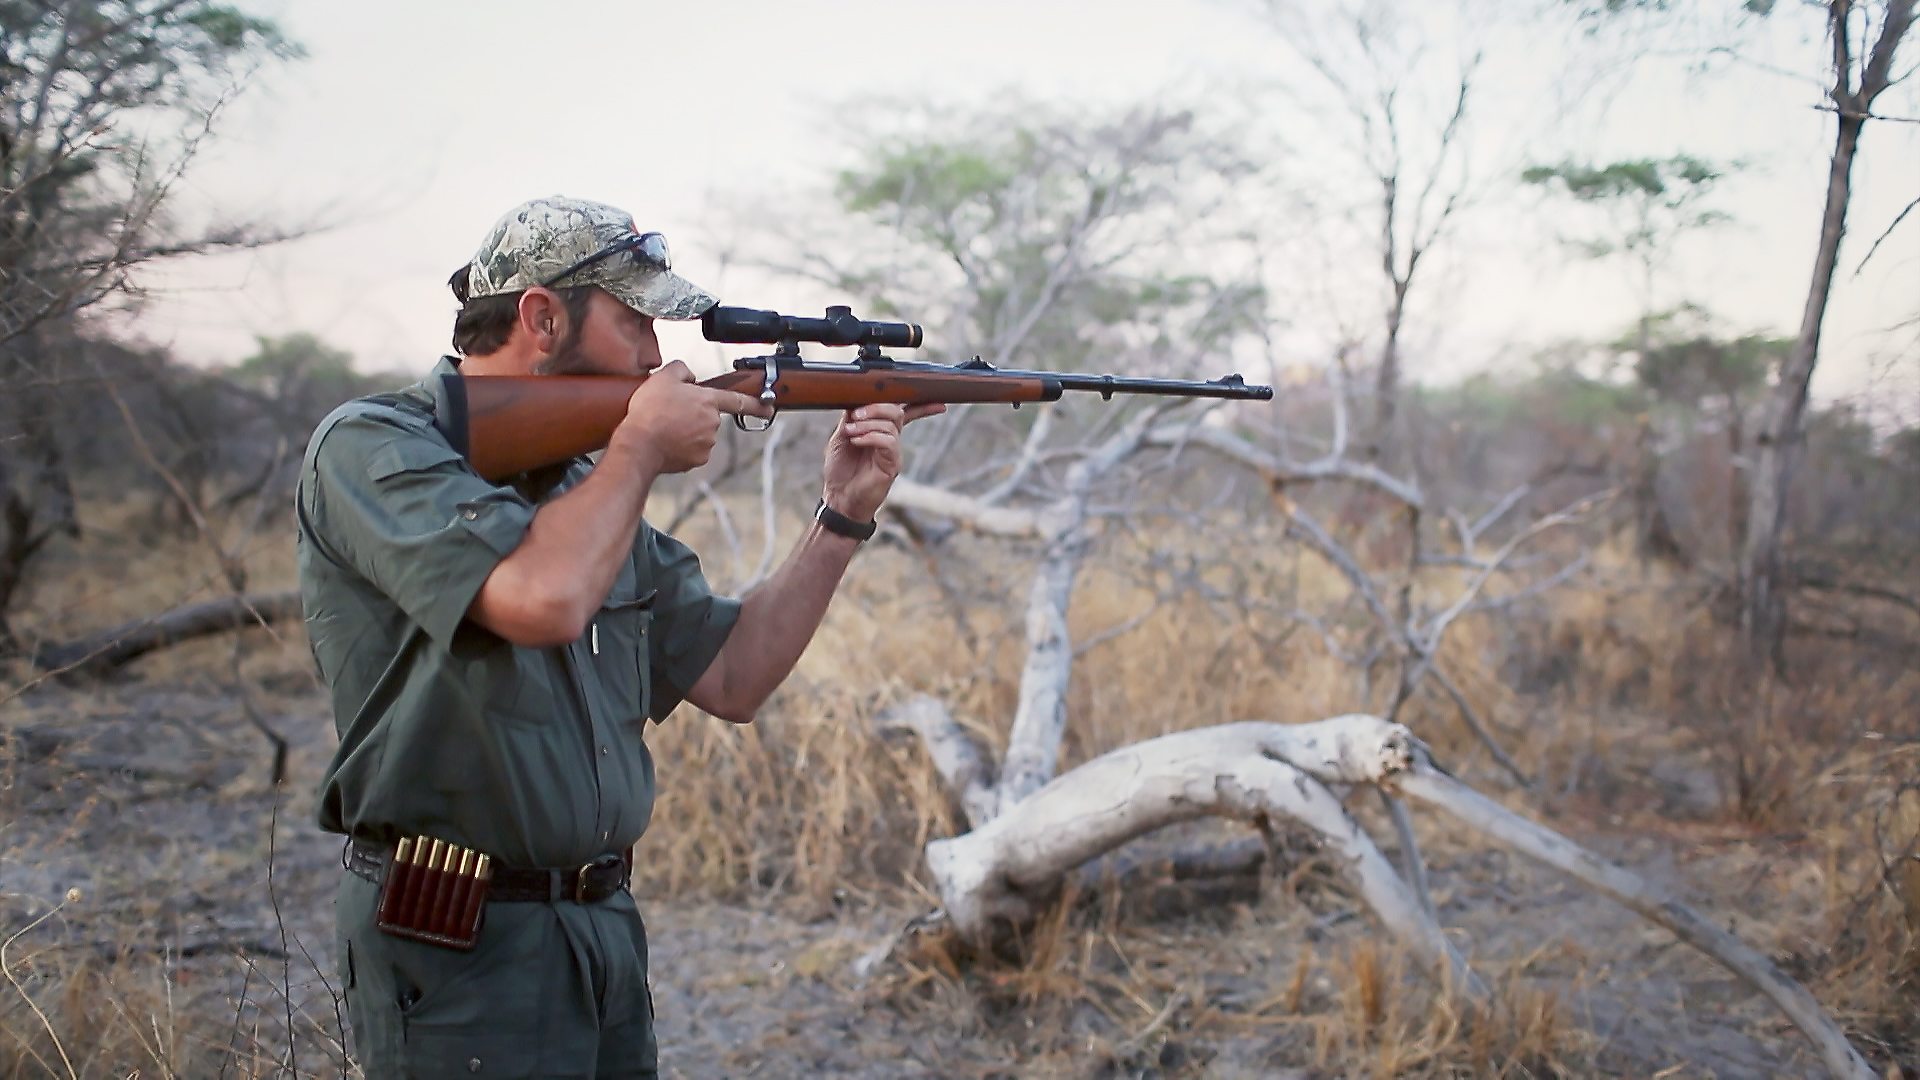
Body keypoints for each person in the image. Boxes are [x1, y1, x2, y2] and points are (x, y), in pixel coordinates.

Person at [295, 194, 942, 1078]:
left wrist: (843, 514)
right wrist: (637, 451)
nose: (655, 354)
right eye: (635, 319)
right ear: (541, 315)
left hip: (598, 927)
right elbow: (541, 600)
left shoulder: (583, 481)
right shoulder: (374, 445)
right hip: (453, 938)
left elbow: (735, 678)